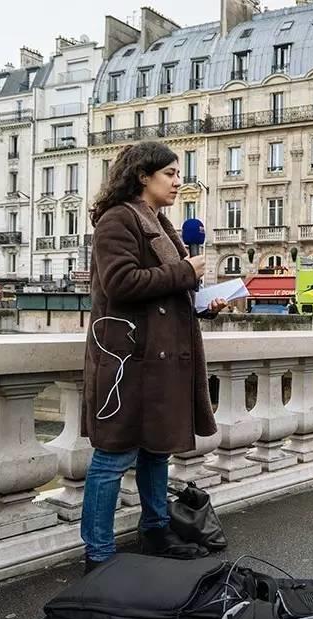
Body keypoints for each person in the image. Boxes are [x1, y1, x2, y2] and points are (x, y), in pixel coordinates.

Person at [82, 141, 228, 574]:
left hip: (158, 360)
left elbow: (163, 292)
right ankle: (98, 554)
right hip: (127, 361)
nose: (179, 181)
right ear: (142, 176)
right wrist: (186, 273)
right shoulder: (116, 221)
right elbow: (121, 283)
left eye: (179, 173)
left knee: (156, 451)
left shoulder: (161, 224)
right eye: (170, 173)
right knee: (112, 457)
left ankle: (157, 529)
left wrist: (203, 302)